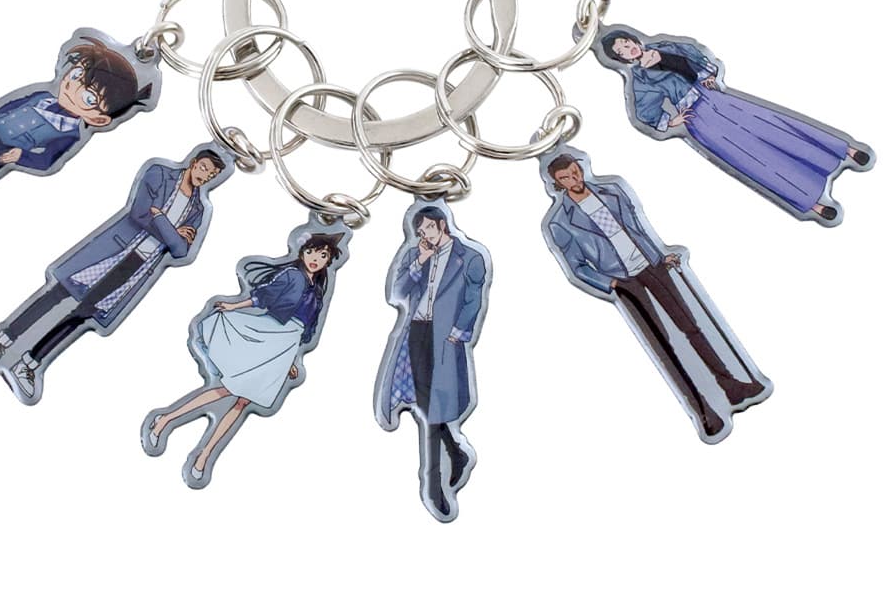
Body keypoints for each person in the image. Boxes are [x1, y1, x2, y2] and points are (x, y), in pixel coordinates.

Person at [542, 150, 771, 441]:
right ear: (557, 183)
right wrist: (611, 283)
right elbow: (576, 267)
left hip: (653, 265)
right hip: (625, 283)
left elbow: (639, 227)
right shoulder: (560, 222)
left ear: (580, 168)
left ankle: (732, 387)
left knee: (692, 327)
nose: (574, 179)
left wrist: (661, 255)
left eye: (575, 172)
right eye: (565, 178)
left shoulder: (612, 191)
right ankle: (704, 412)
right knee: (664, 345)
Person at [0, 147, 229, 404]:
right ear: (194, 162)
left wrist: (160, 217)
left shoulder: (199, 209)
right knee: (57, 294)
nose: (205, 176)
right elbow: (140, 213)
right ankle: (2, 341)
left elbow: (180, 250)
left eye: (211, 175)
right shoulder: (160, 173)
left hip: (138, 267)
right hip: (114, 248)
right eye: (204, 168)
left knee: (83, 314)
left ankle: (30, 363)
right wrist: (171, 230)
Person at [598, 27, 873, 223]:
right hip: (699, 120)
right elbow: (645, 113)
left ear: (633, 39)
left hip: (718, 97)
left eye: (626, 42)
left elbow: (699, 57)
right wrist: (671, 121)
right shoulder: (640, 80)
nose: (628, 49)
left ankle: (843, 151)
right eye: (622, 51)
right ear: (622, 59)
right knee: (752, 158)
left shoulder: (666, 46)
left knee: (775, 126)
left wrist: (708, 74)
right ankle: (811, 202)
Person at [143, 229, 347, 488]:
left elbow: (307, 330)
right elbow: (264, 295)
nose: (316, 259)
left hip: (284, 347)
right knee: (226, 390)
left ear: (329, 261)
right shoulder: (293, 275)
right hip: (267, 335)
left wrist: (291, 362)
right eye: (312, 252)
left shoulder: (318, 291)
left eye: (323, 255)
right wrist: (233, 306)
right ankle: (166, 420)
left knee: (242, 402)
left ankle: (204, 456)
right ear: (303, 252)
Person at [0, 31, 157, 227]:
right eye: (76, 75)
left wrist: (21, 156)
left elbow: (48, 159)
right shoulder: (43, 95)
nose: (73, 88)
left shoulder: (70, 133)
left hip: (7, 150)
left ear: (100, 119)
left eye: (89, 98)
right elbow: (17, 102)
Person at [374, 204, 490, 520]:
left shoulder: (471, 257)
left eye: (427, 228)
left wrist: (459, 332)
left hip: (446, 338)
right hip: (416, 332)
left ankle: (434, 485)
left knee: (434, 407)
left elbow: (474, 298)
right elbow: (397, 293)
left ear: (441, 225)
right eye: (420, 230)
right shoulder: (416, 254)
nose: (424, 235)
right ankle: (455, 452)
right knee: (427, 406)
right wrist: (420, 261)